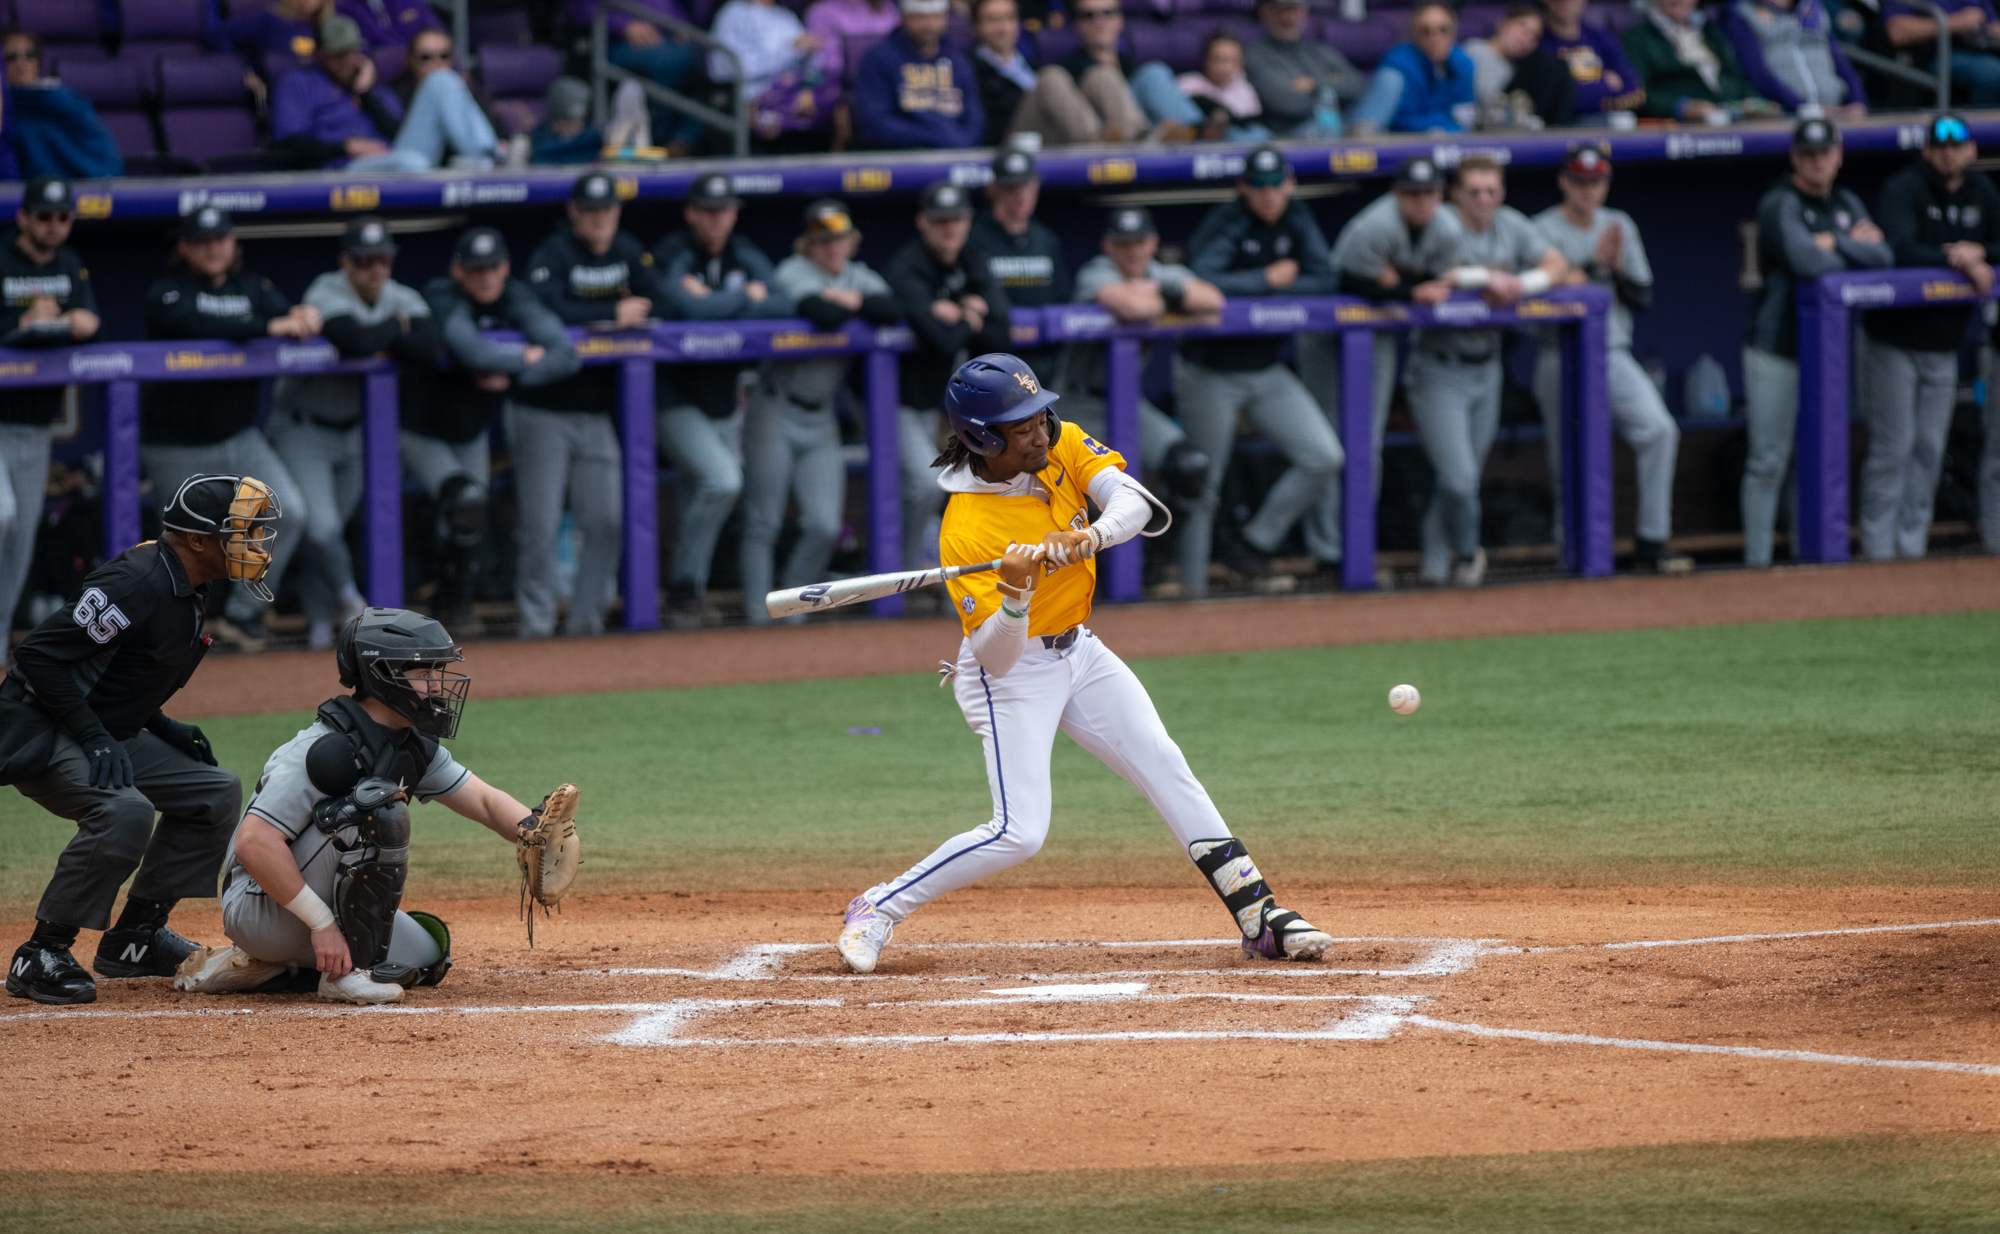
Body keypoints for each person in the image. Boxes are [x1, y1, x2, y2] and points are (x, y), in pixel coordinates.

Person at [833, 353, 1334, 976]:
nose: (1041, 431)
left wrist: (1090, 537)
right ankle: (878, 906)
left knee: (1165, 763)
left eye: (1041, 416)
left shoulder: (1061, 441)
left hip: (1081, 650)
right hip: (1010, 677)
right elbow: (995, 654)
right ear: (983, 439)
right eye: (1023, 428)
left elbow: (1135, 503)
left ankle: (1258, 916)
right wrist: (1015, 595)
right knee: (1020, 833)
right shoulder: (967, 529)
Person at [174, 609, 564, 1005]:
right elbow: (253, 843)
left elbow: (482, 800)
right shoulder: (319, 751)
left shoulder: (410, 747)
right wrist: (322, 924)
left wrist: (535, 831)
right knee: (378, 811)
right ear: (381, 675)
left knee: (426, 957)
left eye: (437, 670)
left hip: (300, 907)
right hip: (258, 907)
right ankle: (335, 972)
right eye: (423, 672)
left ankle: (273, 968)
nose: (437, 684)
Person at [0, 476, 268, 1004]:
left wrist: (163, 725)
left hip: (97, 728)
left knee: (213, 793)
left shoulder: (191, 580)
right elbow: (37, 657)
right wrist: (96, 738)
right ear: (197, 540)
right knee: (124, 812)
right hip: (41, 728)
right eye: (243, 532)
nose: (256, 544)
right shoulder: (136, 582)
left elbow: (121, 674)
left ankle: (135, 937)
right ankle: (43, 952)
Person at [141, 208, 319, 650]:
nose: (213, 247)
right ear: (184, 246)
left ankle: (243, 614)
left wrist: (305, 315)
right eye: (202, 240)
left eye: (220, 239)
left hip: (240, 438)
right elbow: (188, 324)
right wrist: (265, 326)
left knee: (289, 511)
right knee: (183, 545)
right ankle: (172, 633)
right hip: (176, 443)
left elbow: (289, 316)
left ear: (233, 243)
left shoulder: (253, 288)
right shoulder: (168, 291)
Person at [270, 217, 438, 650]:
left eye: (383, 259)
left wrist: (390, 333)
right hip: (304, 428)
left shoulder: (401, 295)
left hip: (356, 433)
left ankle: (320, 627)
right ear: (347, 262)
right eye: (365, 260)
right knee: (322, 529)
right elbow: (355, 341)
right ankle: (352, 604)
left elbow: (430, 346)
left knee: (329, 537)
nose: (375, 269)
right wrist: (397, 329)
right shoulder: (325, 290)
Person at [1180, 145, 1341, 596]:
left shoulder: (1296, 216)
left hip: (1267, 368)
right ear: (1244, 187)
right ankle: (1191, 593)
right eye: (1260, 186)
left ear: (1289, 183)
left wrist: (1260, 291)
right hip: (1210, 369)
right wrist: (1267, 281)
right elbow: (1201, 280)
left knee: (1324, 456)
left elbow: (1324, 278)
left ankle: (1252, 544)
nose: (1269, 195)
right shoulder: (1228, 220)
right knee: (1202, 483)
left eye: (1277, 185)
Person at [1531, 146, 1691, 576]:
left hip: (1611, 354)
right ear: (1564, 182)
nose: (1589, 190)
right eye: (1580, 181)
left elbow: (1642, 298)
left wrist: (1614, 268)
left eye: (1597, 181)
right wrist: (1591, 265)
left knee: (1659, 431)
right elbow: (1533, 294)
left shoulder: (1619, 225)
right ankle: (1571, 554)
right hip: (1558, 357)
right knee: (1565, 460)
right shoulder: (1539, 229)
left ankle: (1652, 539)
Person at [1409, 155, 1566, 587]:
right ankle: (1467, 553)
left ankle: (1433, 569)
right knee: (1459, 479)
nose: (1483, 199)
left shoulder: (1511, 225)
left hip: (1488, 369)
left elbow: (1555, 264)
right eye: (1473, 191)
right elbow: (1426, 272)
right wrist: (1484, 278)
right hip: (1439, 367)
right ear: (1455, 193)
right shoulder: (1440, 223)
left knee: (1461, 480)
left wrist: (1521, 284)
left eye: (1491, 191)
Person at [744, 200, 900, 626]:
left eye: (839, 240)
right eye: (822, 241)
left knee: (824, 525)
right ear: (809, 245)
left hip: (820, 418)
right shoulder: (794, 271)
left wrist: (847, 298)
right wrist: (852, 304)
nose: (832, 248)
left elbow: (892, 307)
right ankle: (756, 618)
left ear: (851, 241)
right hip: (775, 407)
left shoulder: (858, 274)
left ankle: (789, 615)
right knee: (764, 522)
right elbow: (821, 313)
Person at [1743, 118, 1890, 567]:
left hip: (1825, 354)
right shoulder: (1779, 203)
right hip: (1775, 348)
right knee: (1769, 459)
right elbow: (1807, 262)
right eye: (1807, 155)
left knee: (1814, 458)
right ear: (1794, 158)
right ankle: (1757, 564)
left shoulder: (1844, 201)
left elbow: (1884, 258)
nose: (1816, 161)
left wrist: (1834, 240)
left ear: (1838, 154)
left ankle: (1807, 564)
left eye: (1824, 152)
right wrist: (1847, 247)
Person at [515, 173, 656, 640]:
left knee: (608, 520)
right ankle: (535, 628)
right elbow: (538, 305)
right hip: (542, 410)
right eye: (591, 210)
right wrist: (607, 317)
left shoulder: (630, 250)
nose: (600, 219)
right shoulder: (553, 253)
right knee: (540, 525)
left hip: (596, 412)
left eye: (607, 210)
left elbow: (665, 299)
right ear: (574, 211)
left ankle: (585, 626)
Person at [653, 172, 794, 627]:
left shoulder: (743, 252)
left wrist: (717, 299)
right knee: (723, 481)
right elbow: (681, 307)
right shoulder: (673, 253)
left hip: (721, 396)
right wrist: (740, 297)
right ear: (692, 212)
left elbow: (783, 302)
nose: (717, 219)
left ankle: (687, 597)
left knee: (703, 490)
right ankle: (683, 589)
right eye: (708, 210)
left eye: (724, 210)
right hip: (671, 395)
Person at [421, 228, 580, 630]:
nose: (486, 278)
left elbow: (565, 352)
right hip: (417, 427)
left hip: (469, 428)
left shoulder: (513, 293)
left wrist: (510, 375)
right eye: (476, 270)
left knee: (469, 515)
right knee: (456, 506)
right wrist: (519, 358)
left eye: (492, 268)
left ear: (505, 267)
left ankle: (453, 605)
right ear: (458, 271)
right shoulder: (442, 294)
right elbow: (469, 349)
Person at [1858, 115, 1999, 561]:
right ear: (1927, 151)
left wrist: (1980, 253)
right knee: (1894, 447)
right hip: (1893, 342)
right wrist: (1958, 258)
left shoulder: (1983, 193)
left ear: (1972, 151)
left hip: (1944, 345)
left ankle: (1911, 549)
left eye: (1957, 146)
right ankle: (1879, 551)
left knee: (1930, 448)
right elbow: (1898, 248)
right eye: (1939, 146)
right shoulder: (1904, 187)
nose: (1948, 153)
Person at [1317, 158, 1461, 572]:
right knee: (1330, 443)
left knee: (1367, 446)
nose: (1420, 202)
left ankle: (1357, 549)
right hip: (1328, 336)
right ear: (1396, 192)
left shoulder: (1446, 229)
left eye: (1428, 193)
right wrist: (1409, 289)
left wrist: (1395, 286)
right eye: (1412, 193)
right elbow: (1351, 283)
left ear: (1439, 195)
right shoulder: (1374, 227)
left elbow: (1439, 281)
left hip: (1378, 336)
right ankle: (1328, 551)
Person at [884, 182, 1012, 573]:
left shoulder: (972, 258)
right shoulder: (906, 265)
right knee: (923, 486)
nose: (949, 228)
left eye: (956, 219)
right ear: (923, 223)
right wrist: (972, 313)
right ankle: (901, 579)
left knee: (965, 487)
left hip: (949, 406)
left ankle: (946, 584)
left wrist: (958, 314)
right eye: (940, 221)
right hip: (898, 398)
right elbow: (937, 340)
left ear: (968, 220)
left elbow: (1001, 330)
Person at [1059, 206, 1216, 500]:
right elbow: (1135, 308)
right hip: (1077, 405)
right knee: (1083, 497)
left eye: (1139, 242)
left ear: (1153, 243)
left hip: (1130, 403)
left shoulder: (1159, 273)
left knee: (1189, 467)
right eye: (1123, 243)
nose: (1133, 251)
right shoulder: (1096, 271)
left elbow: (1213, 299)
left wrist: (1162, 291)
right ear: (1108, 246)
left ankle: (1166, 543)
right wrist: (1163, 299)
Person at [0, 177, 98, 645]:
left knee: (20, 543)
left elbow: (89, 320)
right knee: (1, 516)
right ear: (23, 217)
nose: (54, 225)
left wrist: (64, 319)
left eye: (63, 217)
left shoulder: (69, 263)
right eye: (44, 216)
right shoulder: (2, 258)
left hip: (35, 427)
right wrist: (21, 322)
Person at [271, 16, 501, 172]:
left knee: (441, 79)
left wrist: (367, 94)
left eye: (352, 52)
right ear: (319, 54)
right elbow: (289, 144)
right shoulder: (298, 83)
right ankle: (483, 162)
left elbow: (398, 133)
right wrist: (346, 147)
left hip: (395, 159)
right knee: (413, 162)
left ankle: (488, 156)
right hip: (343, 170)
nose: (347, 60)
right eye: (337, 54)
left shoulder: (372, 85)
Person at [1006, 0, 1205, 145]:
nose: (1100, 21)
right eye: (1089, 15)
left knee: (1155, 72)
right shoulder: (1068, 68)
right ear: (1077, 24)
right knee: (1100, 76)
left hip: (1130, 131)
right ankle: (1139, 141)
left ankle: (1198, 130)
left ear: (1120, 19)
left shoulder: (1132, 65)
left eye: (1108, 13)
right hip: (1075, 140)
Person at [970, 149, 1069, 389]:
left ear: (1036, 185)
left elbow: (1063, 303)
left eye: (1026, 185)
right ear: (994, 189)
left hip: (1044, 370)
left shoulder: (1046, 240)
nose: (1020, 195)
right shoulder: (973, 239)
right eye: (1011, 187)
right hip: (991, 368)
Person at [566, 0, 707, 154]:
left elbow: (668, 6)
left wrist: (680, 24)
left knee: (707, 61)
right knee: (670, 62)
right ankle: (660, 143)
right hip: (614, 42)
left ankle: (682, 141)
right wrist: (623, 25)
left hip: (667, 40)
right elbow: (581, 10)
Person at [852, 0, 985, 150]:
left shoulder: (959, 63)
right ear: (903, 17)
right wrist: (935, 138)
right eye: (919, 17)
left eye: (935, 16)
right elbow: (874, 123)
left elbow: (975, 122)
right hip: (902, 160)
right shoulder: (878, 60)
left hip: (956, 156)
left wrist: (959, 143)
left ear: (945, 17)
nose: (928, 25)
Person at [0, 30, 122, 179]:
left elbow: (97, 143)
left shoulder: (67, 99)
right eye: (11, 57)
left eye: (30, 55)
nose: (22, 63)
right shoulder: (6, 108)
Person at [1622, 0, 1770, 122]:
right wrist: (1680, 107)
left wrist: (1756, 103)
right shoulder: (1637, 38)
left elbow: (1737, 77)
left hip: (1731, 118)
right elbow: (1637, 93)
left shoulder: (1712, 32)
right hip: (1680, 127)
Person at [1721, 0, 1868, 115]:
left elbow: (1840, 61)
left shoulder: (1813, 7)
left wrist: (1858, 101)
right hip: (1786, 114)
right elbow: (1757, 73)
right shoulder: (1741, 11)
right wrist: (1803, 108)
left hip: (1838, 110)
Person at [1350, 2, 1478, 134]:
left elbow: (1464, 118)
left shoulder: (1464, 64)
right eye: (1425, 31)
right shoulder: (1398, 65)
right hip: (1396, 141)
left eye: (1443, 29)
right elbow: (1400, 121)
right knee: (1389, 79)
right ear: (1414, 34)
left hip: (1443, 139)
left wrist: (1443, 128)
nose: (1435, 37)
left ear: (1454, 31)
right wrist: (1441, 125)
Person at [1243, 0, 1363, 139]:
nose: (1291, 17)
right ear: (1266, 13)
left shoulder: (1319, 50)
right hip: (1291, 131)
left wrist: (1314, 83)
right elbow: (1286, 104)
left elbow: (1357, 85)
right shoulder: (1255, 55)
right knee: (1324, 128)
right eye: (1284, 10)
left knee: (1387, 81)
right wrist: (1332, 85)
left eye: (1296, 10)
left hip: (1340, 120)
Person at [1463, 5, 1575, 127]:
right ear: (1503, 23)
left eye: (1534, 35)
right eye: (1522, 26)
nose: (1526, 38)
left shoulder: (1524, 68)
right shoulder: (1474, 50)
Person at [1883, 0, 2000, 107]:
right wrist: (1954, 22)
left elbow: (1992, 24)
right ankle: (1980, 127)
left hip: (1979, 48)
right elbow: (1897, 32)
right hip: (1929, 55)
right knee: (1992, 72)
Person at [1540, 0, 1646, 116]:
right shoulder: (1538, 43)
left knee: (1624, 120)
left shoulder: (1601, 38)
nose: (1564, 2)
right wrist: (1604, 85)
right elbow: (1551, 99)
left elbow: (1637, 95)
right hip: (1558, 127)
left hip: (1603, 122)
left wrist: (1580, 91)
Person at [709, 0, 824, 103]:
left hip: (791, 90)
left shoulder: (785, 16)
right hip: (749, 95)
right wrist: (790, 51)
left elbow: (812, 64)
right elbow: (733, 68)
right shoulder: (732, 12)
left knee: (828, 92)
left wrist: (810, 51)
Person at [1178, 30, 1268, 142]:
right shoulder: (1187, 83)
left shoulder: (1244, 90)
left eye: (1231, 61)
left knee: (1258, 134)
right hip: (1187, 144)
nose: (1224, 68)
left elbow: (1249, 127)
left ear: (1241, 63)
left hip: (1227, 146)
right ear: (1205, 59)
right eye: (1218, 60)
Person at [970, 0, 1037, 145]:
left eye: (1009, 18)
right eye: (992, 20)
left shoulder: (1033, 65)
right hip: (1007, 144)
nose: (1002, 27)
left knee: (1097, 75)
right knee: (1053, 79)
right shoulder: (970, 69)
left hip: (1047, 139)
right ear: (977, 26)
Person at [807, 0, 902, 80]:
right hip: (844, 86)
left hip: (888, 80)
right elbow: (828, 64)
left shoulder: (888, 9)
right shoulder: (822, 12)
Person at [530, 76, 605, 164]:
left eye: (581, 119)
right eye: (571, 121)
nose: (579, 126)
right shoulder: (539, 140)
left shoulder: (592, 139)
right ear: (556, 121)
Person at [337, 0, 444, 50]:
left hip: (429, 70)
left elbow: (440, 35)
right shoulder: (343, 7)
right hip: (381, 82)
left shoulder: (411, 2)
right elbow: (362, 54)